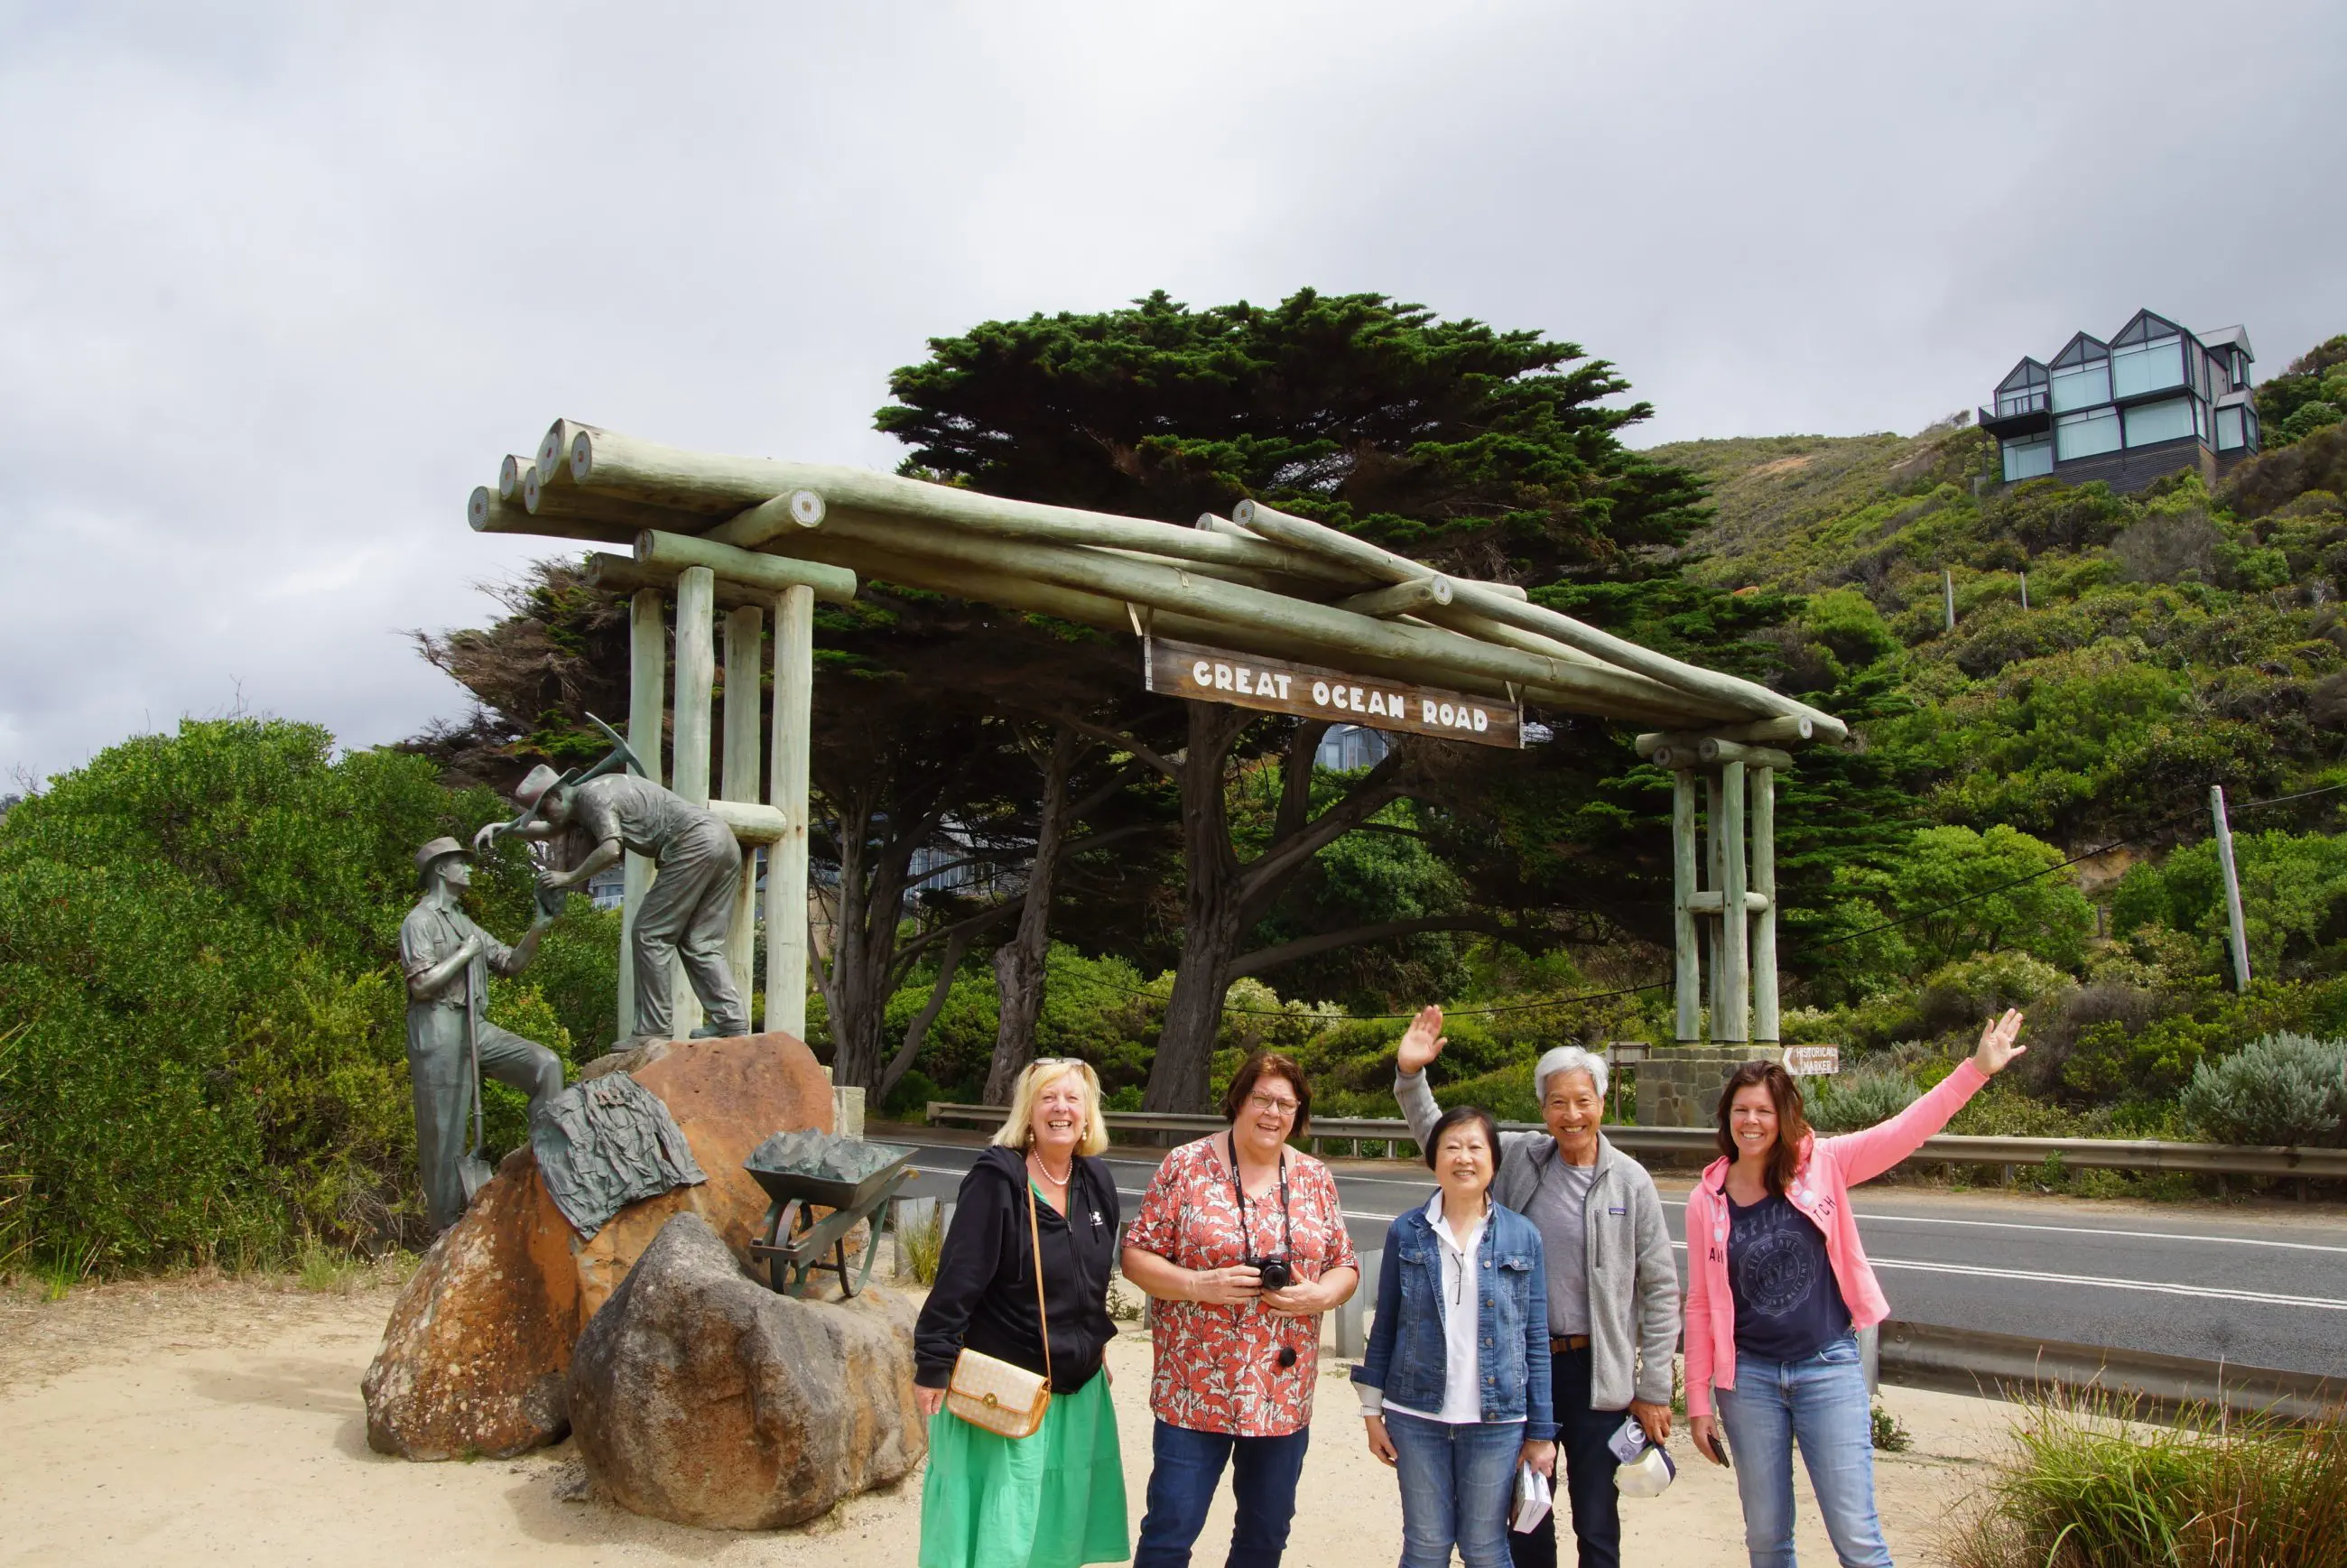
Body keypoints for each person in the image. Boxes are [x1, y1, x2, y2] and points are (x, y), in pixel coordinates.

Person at [1685, 1010, 2029, 1568]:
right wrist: (1698, 1401)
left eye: (1764, 1111)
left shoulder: (1822, 1164)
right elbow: (1700, 1303)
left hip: (1827, 1367)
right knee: (1767, 1540)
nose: (1752, 1122)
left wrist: (1976, 1071)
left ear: (1783, 1116)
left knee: (1858, 1540)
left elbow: (1905, 1130)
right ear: (1727, 1117)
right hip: (1747, 1381)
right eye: (1741, 1111)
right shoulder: (1707, 1200)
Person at [1396, 1009, 1677, 1568]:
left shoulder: (1630, 1179)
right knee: (1527, 1513)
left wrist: (1654, 1387)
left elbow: (1662, 1289)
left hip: (1599, 1371)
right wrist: (1410, 1076)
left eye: (1582, 1100)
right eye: (1557, 1102)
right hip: (1520, 1367)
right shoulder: (1522, 1157)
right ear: (1543, 1107)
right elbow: (1449, 1142)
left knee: (1598, 1517)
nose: (1571, 1115)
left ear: (1602, 1101)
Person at [1120, 1053, 1361, 1568]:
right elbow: (1135, 1255)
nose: (1273, 1113)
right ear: (1238, 1100)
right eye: (1262, 1099)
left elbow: (1345, 1265)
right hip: (1194, 1389)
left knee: (1265, 1537)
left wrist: (1322, 1295)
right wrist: (1194, 1284)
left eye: (1286, 1104)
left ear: (1299, 1114)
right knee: (1169, 1532)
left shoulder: (1316, 1177)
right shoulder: (1184, 1166)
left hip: (1281, 1395)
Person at [913, 1059, 1128, 1568]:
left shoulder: (1096, 1179)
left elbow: (1091, 1280)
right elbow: (959, 1277)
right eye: (1048, 1098)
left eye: (1073, 1099)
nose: (1061, 1109)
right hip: (1007, 1386)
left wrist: (1091, 1344)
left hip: (1076, 1388)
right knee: (1004, 1531)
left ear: (1088, 1113)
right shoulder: (998, 1179)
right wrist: (933, 1363)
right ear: (1027, 1112)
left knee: (1057, 1527)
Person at [1356, 1105, 1556, 1568]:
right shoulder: (1406, 1232)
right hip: (1414, 1414)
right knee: (1425, 1546)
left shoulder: (1523, 1236)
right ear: (1433, 1159)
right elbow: (1384, 1326)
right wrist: (1371, 1411)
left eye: (1475, 1147)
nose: (1463, 1158)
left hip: (1498, 1420)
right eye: (1451, 1147)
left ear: (1493, 1160)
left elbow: (1535, 1342)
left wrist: (1542, 1433)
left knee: (1485, 1549)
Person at [482, 763, 747, 1044]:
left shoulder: (594, 797)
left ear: (558, 795)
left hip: (693, 844)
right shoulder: (588, 796)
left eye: (545, 809)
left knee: (649, 934)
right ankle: (731, 1020)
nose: (548, 818)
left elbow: (610, 848)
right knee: (699, 942)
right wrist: (501, 829)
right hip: (722, 839)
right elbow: (549, 829)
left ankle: (654, 1029)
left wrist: (569, 876)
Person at [399, 837, 566, 1232]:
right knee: (444, 1137)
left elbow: (511, 962)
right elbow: (421, 986)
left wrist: (538, 926)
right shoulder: (418, 922)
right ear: (441, 869)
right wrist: (463, 954)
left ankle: (548, 1171)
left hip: (475, 1026)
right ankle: (442, 1233)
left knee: (546, 1065)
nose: (470, 868)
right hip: (438, 1028)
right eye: (462, 863)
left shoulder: (463, 921)